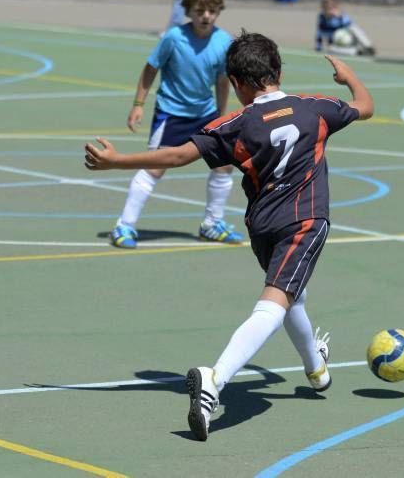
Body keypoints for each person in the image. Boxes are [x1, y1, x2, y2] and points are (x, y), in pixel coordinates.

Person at [84, 32, 374, 441]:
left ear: (237, 83)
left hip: (263, 225)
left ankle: (317, 370)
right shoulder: (316, 108)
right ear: (279, 71)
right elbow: (366, 107)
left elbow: (176, 155)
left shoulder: (235, 124)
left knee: (292, 296)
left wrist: (117, 161)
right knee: (274, 305)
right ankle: (214, 381)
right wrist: (349, 76)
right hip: (305, 221)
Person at [111, 0, 242, 249]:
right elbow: (150, 69)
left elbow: (222, 79)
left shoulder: (223, 41)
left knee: (224, 164)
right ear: (188, 10)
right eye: (199, 10)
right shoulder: (174, 38)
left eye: (212, 10)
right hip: (171, 114)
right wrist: (138, 104)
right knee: (155, 167)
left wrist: (220, 114)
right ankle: (124, 225)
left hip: (205, 113)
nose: (206, 16)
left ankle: (211, 223)